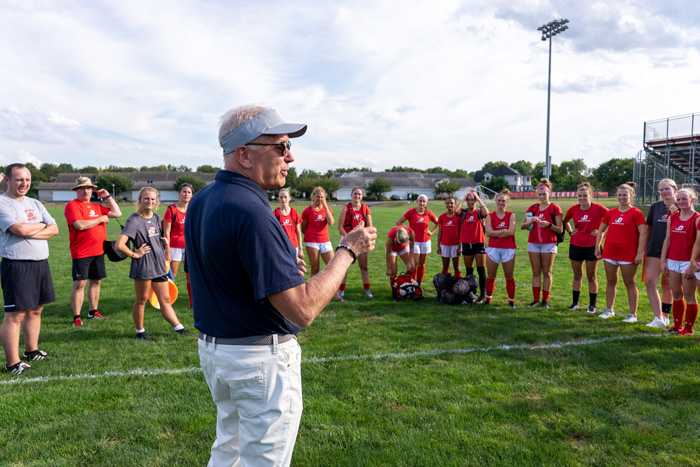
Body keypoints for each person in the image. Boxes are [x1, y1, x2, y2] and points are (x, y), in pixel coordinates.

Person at [185, 104, 376, 466]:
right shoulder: (251, 209)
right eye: (280, 146)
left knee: (228, 453)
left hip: (218, 351)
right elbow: (301, 309)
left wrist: (279, 267)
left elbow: (215, 271)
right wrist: (348, 250)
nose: (290, 156)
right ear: (244, 154)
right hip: (257, 361)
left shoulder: (203, 199)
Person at [0, 163, 59, 375]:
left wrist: (30, 230)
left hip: (40, 263)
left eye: (27, 179)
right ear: (7, 180)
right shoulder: (2, 203)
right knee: (15, 315)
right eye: (19, 179)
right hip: (17, 265)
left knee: (36, 309)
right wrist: (39, 226)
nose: (24, 183)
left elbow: (54, 229)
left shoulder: (35, 203)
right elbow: (19, 229)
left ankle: (31, 351)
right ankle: (13, 364)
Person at [115, 187, 194, 342]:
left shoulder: (157, 218)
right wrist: (134, 254)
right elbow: (119, 244)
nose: (149, 201)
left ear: (156, 201)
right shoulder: (134, 220)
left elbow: (156, 237)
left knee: (165, 299)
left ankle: (179, 328)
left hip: (159, 265)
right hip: (143, 266)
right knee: (142, 300)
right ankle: (140, 332)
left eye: (152, 199)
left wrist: (164, 245)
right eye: (146, 198)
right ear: (140, 200)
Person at [65, 176, 122, 327]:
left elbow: (117, 213)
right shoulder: (72, 206)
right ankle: (77, 317)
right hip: (81, 252)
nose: (86, 191)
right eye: (82, 188)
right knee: (80, 283)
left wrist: (108, 197)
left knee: (96, 281)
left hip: (98, 251)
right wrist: (101, 219)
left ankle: (93, 311)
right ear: (76, 190)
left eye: (89, 188)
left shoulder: (97, 206)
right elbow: (79, 225)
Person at [595, 182, 647, 322]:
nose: (622, 197)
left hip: (628, 254)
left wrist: (639, 253)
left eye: (625, 195)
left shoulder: (636, 213)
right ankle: (609, 310)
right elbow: (601, 230)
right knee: (611, 281)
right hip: (610, 252)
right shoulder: (611, 212)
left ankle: (632, 315)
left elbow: (643, 234)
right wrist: (597, 247)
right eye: (619, 195)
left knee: (630, 283)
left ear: (631, 195)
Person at [562, 182, 608, 313]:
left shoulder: (598, 208)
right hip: (576, 244)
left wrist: (601, 233)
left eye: (584, 196)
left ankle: (592, 305)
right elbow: (565, 221)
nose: (582, 198)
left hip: (592, 245)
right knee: (577, 275)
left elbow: (611, 218)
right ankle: (575, 303)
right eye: (579, 196)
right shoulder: (573, 209)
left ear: (590, 196)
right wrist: (571, 232)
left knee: (591, 275)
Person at [661, 188, 700, 335]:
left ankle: (688, 329)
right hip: (672, 260)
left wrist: (692, 264)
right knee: (676, 293)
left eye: (685, 199)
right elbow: (667, 240)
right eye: (679, 199)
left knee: (690, 296)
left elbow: (699, 243)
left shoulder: (697, 218)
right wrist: (663, 261)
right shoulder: (673, 217)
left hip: (688, 262)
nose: (681, 202)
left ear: (692, 200)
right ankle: (677, 326)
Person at [521, 178, 563, 309]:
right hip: (533, 243)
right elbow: (523, 226)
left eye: (544, 194)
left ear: (549, 193)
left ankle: (545, 300)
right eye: (540, 194)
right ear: (537, 195)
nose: (542, 197)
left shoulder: (555, 208)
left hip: (549, 244)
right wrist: (531, 221)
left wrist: (549, 224)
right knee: (535, 272)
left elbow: (560, 229)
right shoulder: (533, 207)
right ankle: (535, 300)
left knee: (547, 272)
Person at [645, 178, 679, 328]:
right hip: (654, 250)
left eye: (667, 188)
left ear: (674, 189)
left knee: (667, 285)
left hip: (673, 251)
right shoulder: (655, 207)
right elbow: (649, 228)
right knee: (650, 282)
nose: (664, 192)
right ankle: (658, 317)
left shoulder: (682, 205)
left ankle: (666, 317)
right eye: (662, 189)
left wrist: (676, 212)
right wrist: (644, 248)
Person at [338, 187, 374, 298]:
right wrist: (349, 238)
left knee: (364, 266)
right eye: (355, 194)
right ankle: (341, 290)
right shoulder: (346, 208)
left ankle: (367, 289)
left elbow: (370, 227)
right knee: (344, 267)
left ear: (362, 196)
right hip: (347, 240)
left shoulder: (365, 209)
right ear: (351, 195)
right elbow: (340, 227)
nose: (357, 196)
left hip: (361, 242)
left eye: (359, 194)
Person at [484, 189, 517, 307]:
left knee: (509, 276)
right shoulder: (490, 216)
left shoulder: (511, 215)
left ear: (507, 202)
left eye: (503, 201)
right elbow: (488, 233)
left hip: (508, 248)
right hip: (493, 248)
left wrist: (496, 232)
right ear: (495, 201)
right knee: (491, 275)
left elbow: (511, 232)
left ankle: (511, 301)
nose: (501, 203)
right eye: (499, 200)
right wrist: (503, 230)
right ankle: (488, 299)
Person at [396, 194, 438, 285]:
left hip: (426, 241)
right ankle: (412, 283)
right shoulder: (411, 212)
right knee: (414, 264)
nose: (422, 203)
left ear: (426, 203)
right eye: (420, 201)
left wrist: (432, 232)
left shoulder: (429, 213)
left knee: (422, 264)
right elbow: (398, 222)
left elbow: (438, 223)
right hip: (414, 242)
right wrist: (407, 232)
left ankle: (419, 284)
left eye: (424, 201)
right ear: (417, 201)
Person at [163, 183, 194, 307]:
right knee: (171, 276)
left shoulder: (193, 209)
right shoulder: (171, 209)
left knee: (190, 276)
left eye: (189, 192)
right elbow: (166, 232)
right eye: (184, 192)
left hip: (189, 248)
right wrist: (167, 250)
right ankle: (166, 302)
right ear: (179, 193)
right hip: (174, 247)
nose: (186, 194)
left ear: (192, 195)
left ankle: (192, 303)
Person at [455, 190, 489, 301]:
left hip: (479, 243)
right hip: (466, 243)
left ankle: (482, 294)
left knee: (481, 270)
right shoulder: (464, 212)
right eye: (468, 200)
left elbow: (487, 213)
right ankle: (471, 292)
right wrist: (464, 197)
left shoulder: (479, 212)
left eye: (472, 200)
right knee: (469, 270)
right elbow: (456, 211)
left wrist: (478, 199)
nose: (470, 202)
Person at [274, 188, 304, 259]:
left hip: (294, 247)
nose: (283, 199)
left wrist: (300, 248)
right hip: (281, 247)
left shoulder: (294, 212)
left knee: (296, 269)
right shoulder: (275, 213)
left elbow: (298, 233)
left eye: (285, 197)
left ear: (289, 198)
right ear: (279, 199)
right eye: (281, 197)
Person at [436, 197, 461, 277]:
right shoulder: (442, 217)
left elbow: (461, 232)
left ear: (455, 204)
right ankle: (445, 285)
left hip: (456, 245)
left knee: (456, 267)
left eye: (451, 203)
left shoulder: (459, 217)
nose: (449, 205)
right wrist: (438, 246)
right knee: (445, 267)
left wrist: (460, 246)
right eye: (447, 203)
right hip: (445, 245)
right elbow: (440, 232)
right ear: (445, 204)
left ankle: (457, 286)